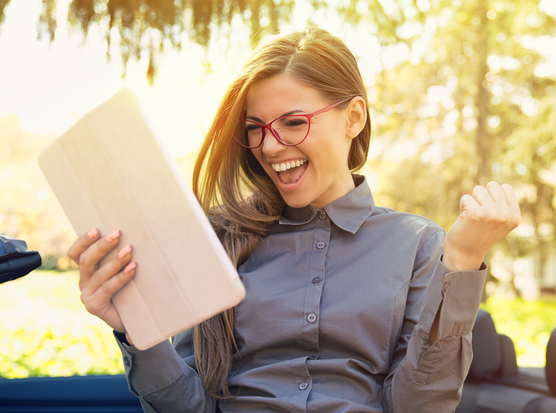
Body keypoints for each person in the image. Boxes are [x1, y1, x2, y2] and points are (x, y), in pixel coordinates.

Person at [68, 27, 520, 413]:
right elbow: (190, 406)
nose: (269, 146)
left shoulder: (419, 245)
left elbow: (418, 406)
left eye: (293, 122)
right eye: (255, 128)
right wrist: (133, 325)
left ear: (354, 118)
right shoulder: (218, 239)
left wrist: (461, 261)